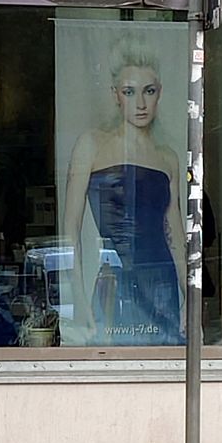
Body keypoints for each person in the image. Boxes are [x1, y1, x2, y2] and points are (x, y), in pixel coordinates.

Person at [61, 44, 184, 346]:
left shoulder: (167, 158)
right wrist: (77, 297)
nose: (140, 102)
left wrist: (188, 297)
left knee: (166, 372)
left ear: (160, 93)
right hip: (116, 282)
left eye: (149, 91)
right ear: (115, 94)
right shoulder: (91, 145)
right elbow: (70, 230)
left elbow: (177, 236)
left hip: (162, 281)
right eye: (129, 92)